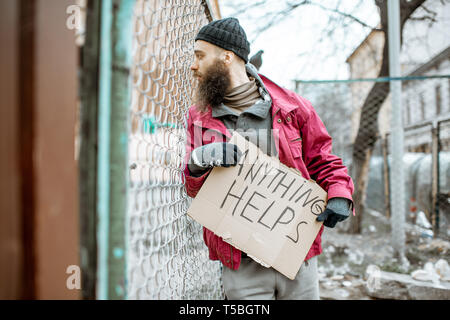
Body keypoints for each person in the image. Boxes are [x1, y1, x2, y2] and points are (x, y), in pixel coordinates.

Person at [184, 17, 354, 300]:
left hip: (296, 258)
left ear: (226, 56)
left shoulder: (293, 107)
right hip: (241, 264)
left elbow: (323, 159)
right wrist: (198, 160)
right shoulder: (199, 118)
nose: (194, 65)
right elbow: (194, 189)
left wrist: (339, 194)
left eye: (200, 56)